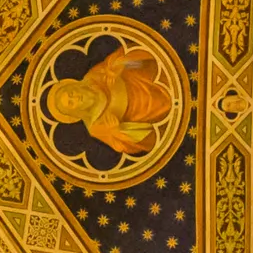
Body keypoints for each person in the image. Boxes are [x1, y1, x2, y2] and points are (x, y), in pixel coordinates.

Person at [45, 36, 179, 168]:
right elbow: (125, 145)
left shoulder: (93, 76)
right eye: (71, 103)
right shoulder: (95, 127)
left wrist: (118, 66)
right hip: (146, 113)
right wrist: (117, 131)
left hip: (145, 80)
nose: (75, 98)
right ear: (74, 113)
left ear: (74, 85)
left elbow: (125, 57)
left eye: (71, 93)